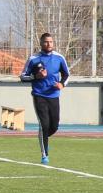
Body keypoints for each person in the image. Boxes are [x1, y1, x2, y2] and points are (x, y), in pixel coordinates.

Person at [19, 32, 70, 165]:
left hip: (54, 96)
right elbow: (22, 77)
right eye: (46, 42)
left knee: (54, 126)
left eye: (51, 42)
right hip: (39, 95)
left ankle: (43, 138)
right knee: (44, 125)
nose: (49, 44)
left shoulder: (59, 58)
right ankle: (44, 155)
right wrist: (36, 77)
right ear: (41, 43)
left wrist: (62, 84)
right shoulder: (33, 59)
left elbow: (67, 74)